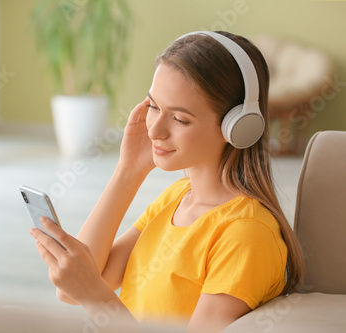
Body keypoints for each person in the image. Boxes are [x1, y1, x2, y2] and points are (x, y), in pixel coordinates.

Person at [30, 31, 305, 332]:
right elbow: (70, 291)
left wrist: (93, 295)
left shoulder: (246, 235)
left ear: (238, 127)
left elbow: (86, 289)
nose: (155, 130)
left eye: (180, 119)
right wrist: (128, 172)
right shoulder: (177, 197)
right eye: (153, 107)